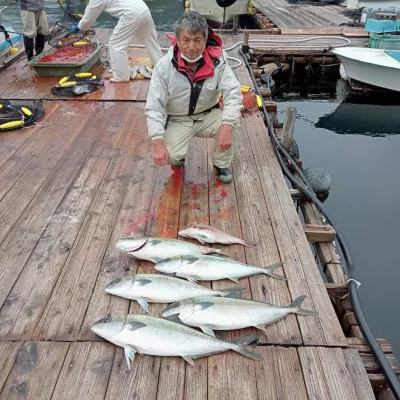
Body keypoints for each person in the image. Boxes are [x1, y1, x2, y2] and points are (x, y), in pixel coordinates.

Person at [145, 11, 242, 183]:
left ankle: (220, 164)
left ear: (205, 40)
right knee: (171, 156)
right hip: (178, 118)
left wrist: (227, 126)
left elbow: (233, 93)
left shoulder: (219, 61)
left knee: (231, 124)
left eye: (197, 40)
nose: (191, 47)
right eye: (186, 39)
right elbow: (155, 107)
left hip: (208, 115)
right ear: (177, 40)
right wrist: (157, 143)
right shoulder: (163, 67)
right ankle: (178, 156)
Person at [70, 0, 163, 82]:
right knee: (151, 40)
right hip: (143, 8)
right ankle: (161, 67)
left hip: (131, 14)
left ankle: (121, 76)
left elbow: (88, 20)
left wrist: (79, 27)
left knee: (116, 44)